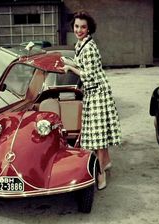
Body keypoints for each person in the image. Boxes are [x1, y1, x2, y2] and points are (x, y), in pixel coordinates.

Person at [60, 10, 121, 190]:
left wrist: (70, 69)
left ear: (89, 28)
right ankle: (107, 161)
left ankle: (101, 174)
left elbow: (89, 76)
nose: (79, 30)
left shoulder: (90, 48)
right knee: (98, 131)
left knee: (97, 137)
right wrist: (67, 62)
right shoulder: (81, 43)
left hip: (98, 93)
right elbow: (80, 62)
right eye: (77, 26)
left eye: (83, 27)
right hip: (92, 92)